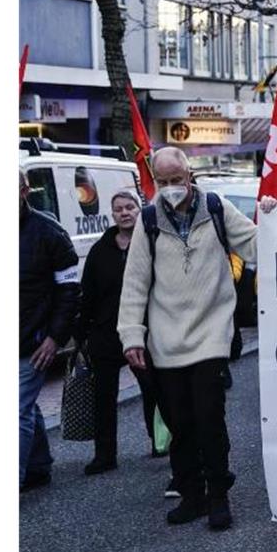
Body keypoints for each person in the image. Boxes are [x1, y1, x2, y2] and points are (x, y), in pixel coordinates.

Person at [118, 147, 276, 530]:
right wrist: (131, 336)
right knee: (180, 423)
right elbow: (135, 281)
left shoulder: (217, 209)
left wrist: (274, 217)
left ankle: (219, 494)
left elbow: (256, 245)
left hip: (211, 333)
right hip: (165, 338)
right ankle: (193, 494)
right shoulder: (150, 219)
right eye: (163, 181)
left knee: (209, 417)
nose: (171, 187)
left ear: (190, 176)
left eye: (177, 179)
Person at [77, 190, 171, 481]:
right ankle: (105, 455)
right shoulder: (100, 249)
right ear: (112, 213)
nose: (125, 213)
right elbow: (88, 292)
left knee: (152, 389)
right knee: (103, 396)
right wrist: (81, 334)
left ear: (139, 209)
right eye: (119, 209)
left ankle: (159, 443)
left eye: (130, 207)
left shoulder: (151, 242)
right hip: (105, 333)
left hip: (142, 331)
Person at [20, 169, 80, 492]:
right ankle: (38, 466)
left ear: (25, 191)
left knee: (14, 409)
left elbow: (70, 290)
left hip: (33, 340)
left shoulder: (49, 232)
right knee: (24, 406)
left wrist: (55, 337)